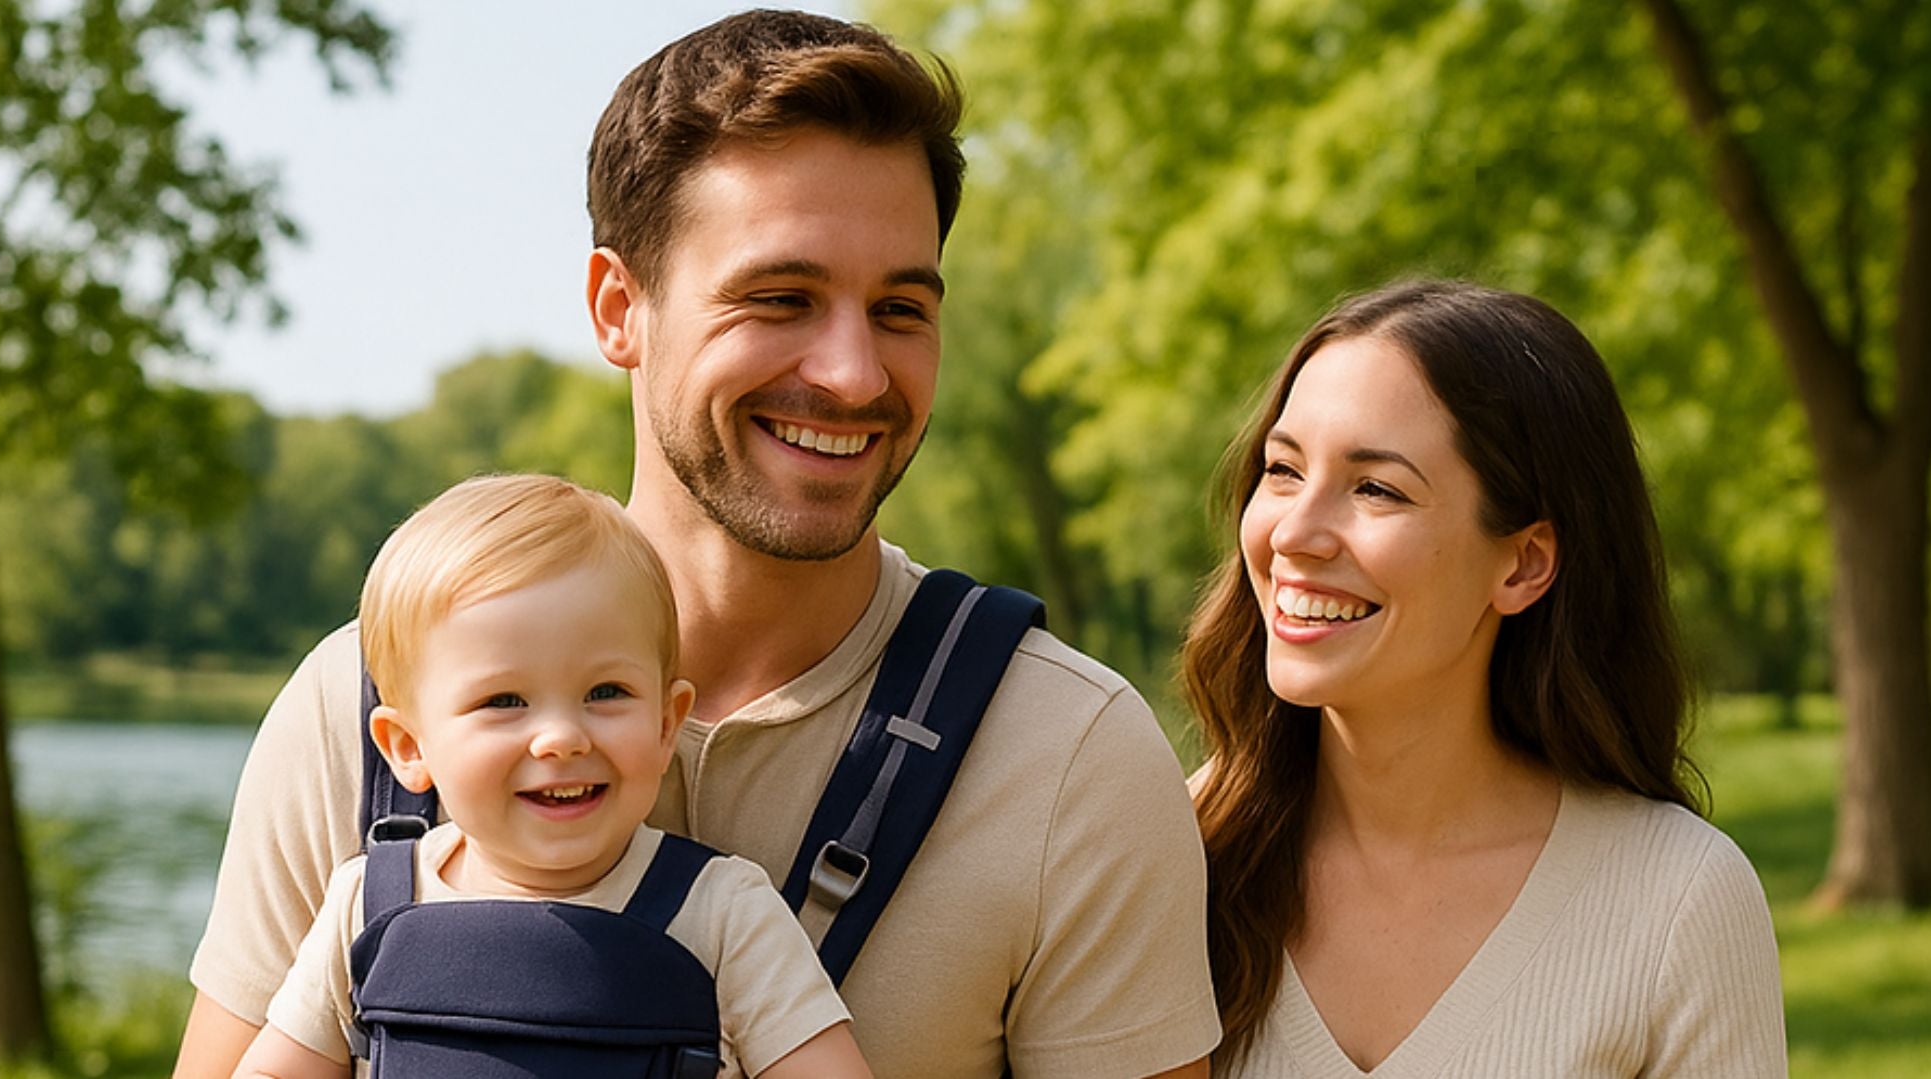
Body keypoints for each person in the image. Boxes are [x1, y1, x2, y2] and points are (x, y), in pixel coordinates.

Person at [176, 11, 1219, 1078]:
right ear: (618, 306)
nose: (857, 374)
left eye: (900, 307)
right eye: (783, 297)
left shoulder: (1068, 755)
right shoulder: (353, 708)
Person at [1184, 280, 1788, 1077]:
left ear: (1525, 561)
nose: (1294, 531)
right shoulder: (1174, 854)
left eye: (1376, 487)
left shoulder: (1678, 901)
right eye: (1284, 469)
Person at [229, 474, 866, 1078]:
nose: (562, 738)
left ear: (668, 723)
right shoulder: (370, 902)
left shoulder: (720, 914)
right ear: (408, 746)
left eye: (606, 691)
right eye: (504, 701)